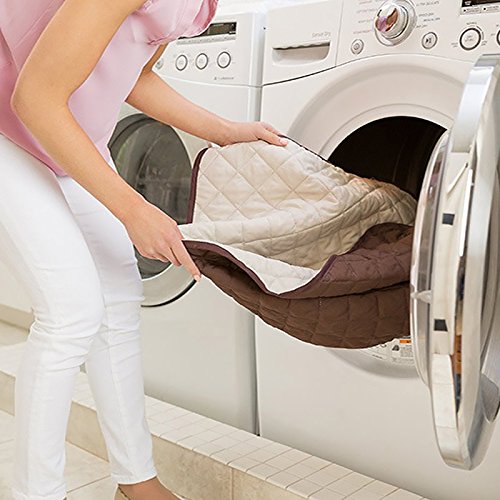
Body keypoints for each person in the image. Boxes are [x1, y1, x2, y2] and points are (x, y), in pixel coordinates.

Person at [0, 0, 288, 499]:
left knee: (118, 300)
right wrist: (134, 210)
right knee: (71, 314)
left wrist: (226, 131)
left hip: (70, 138)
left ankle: (137, 484)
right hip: (11, 129)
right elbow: (35, 98)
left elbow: (135, 76)